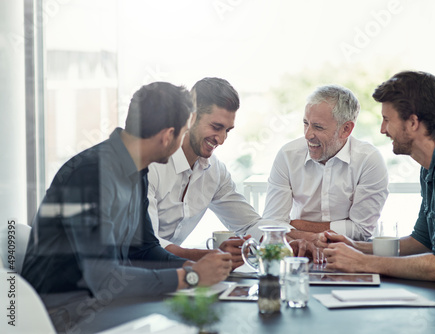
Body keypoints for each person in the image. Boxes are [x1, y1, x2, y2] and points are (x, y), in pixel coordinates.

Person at [21, 82, 232, 332]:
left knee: (209, 317)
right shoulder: (91, 174)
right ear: (167, 136)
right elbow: (103, 277)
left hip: (104, 302)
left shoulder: (138, 169)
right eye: (184, 131)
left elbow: (144, 249)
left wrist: (190, 267)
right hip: (62, 315)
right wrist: (191, 278)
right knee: (194, 322)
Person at [321, 71, 435, 334]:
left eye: (386, 120)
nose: (383, 130)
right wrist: (356, 246)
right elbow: (421, 241)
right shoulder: (433, 166)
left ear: (413, 122)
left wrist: (361, 262)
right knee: (373, 307)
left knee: (393, 325)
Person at [148, 77, 288, 269]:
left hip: (176, 275)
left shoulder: (215, 171)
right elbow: (147, 245)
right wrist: (212, 256)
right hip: (133, 274)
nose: (221, 139)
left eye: (228, 131)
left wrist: (284, 242)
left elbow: (248, 224)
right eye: (216, 127)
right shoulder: (151, 164)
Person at [262, 84, 389, 251]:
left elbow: (361, 230)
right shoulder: (288, 155)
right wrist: (311, 238)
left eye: (318, 127)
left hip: (351, 254)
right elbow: (272, 225)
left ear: (346, 129)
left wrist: (296, 225)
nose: (307, 134)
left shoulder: (369, 160)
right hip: (300, 251)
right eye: (306, 123)